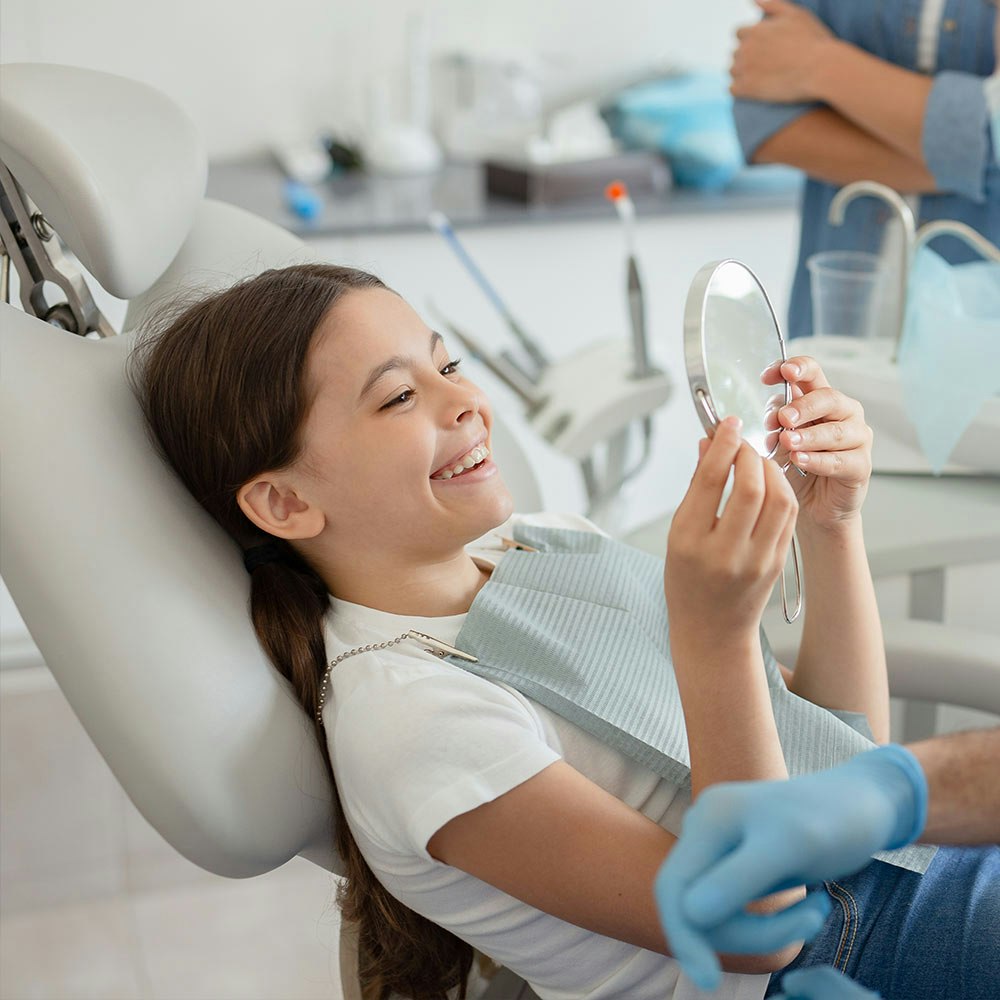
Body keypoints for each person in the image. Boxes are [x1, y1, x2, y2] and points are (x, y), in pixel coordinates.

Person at [129, 263, 996, 1000]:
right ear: (285, 501)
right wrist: (716, 639)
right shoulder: (412, 723)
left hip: (901, 865)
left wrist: (831, 526)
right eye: (399, 397)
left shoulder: (544, 543)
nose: (466, 402)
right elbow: (756, 930)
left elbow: (834, 751)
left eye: (449, 365)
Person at [655, 728, 1000, 997]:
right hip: (850, 930)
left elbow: (849, 727)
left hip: (934, 856)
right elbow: (763, 922)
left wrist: (901, 788)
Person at [731, 0, 999, 338]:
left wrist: (815, 63)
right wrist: (966, 161)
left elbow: (991, 134)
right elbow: (766, 122)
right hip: (833, 328)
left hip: (980, 340)